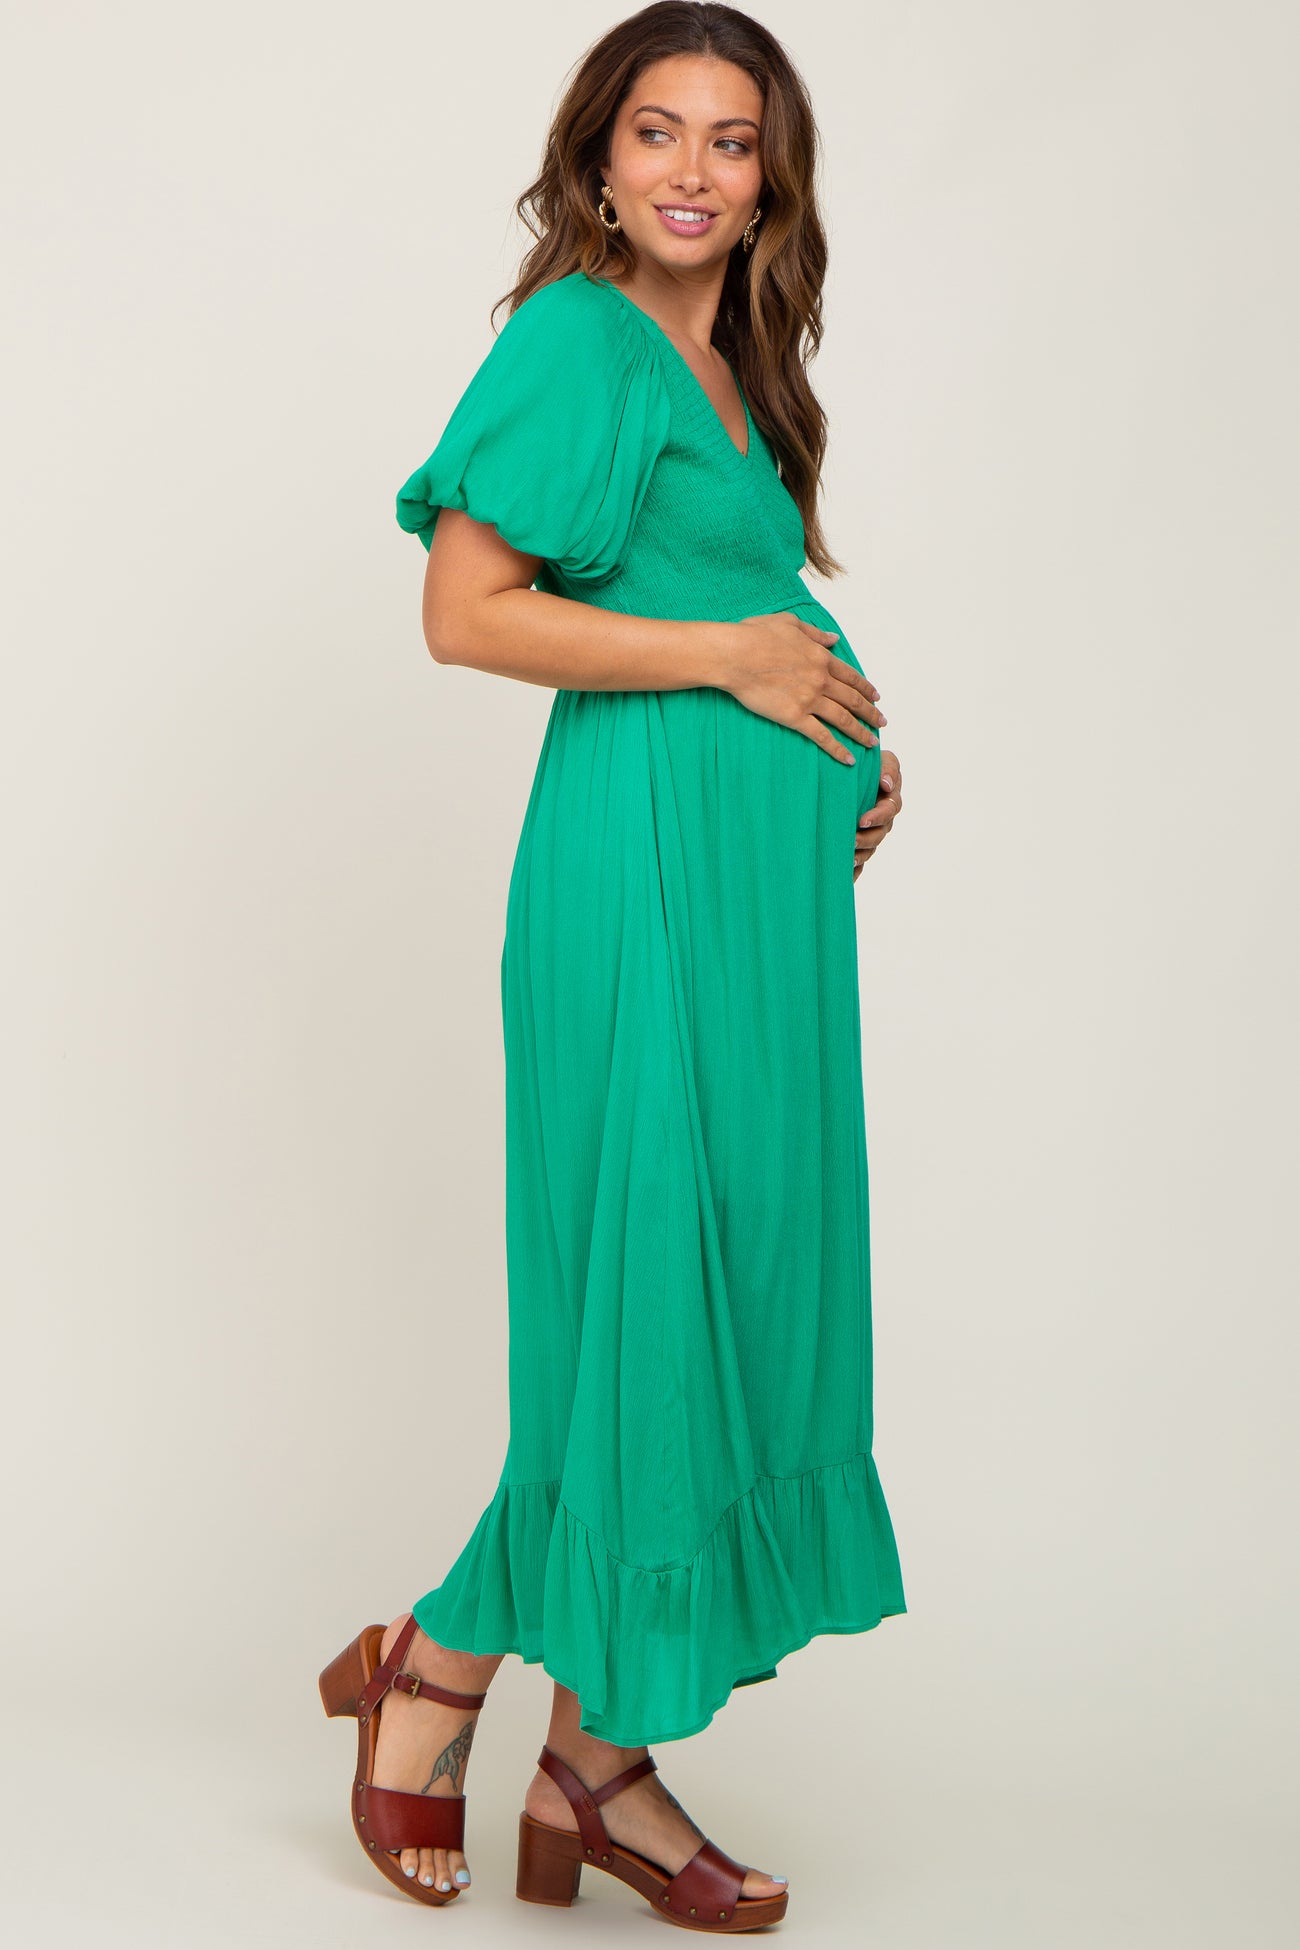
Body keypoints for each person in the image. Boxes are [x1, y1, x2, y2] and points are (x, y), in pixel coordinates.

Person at [319, 4, 907, 1929]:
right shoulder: (577, 337)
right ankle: (442, 1684)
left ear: (772, 180)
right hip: (634, 882)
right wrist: (741, 666)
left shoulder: (736, 362)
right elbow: (466, 610)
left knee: (720, 1296)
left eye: (732, 141)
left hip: (756, 903)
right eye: (656, 131)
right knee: (631, 1313)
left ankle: (591, 1752)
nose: (691, 170)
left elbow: (741, 595)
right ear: (597, 157)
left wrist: (843, 746)